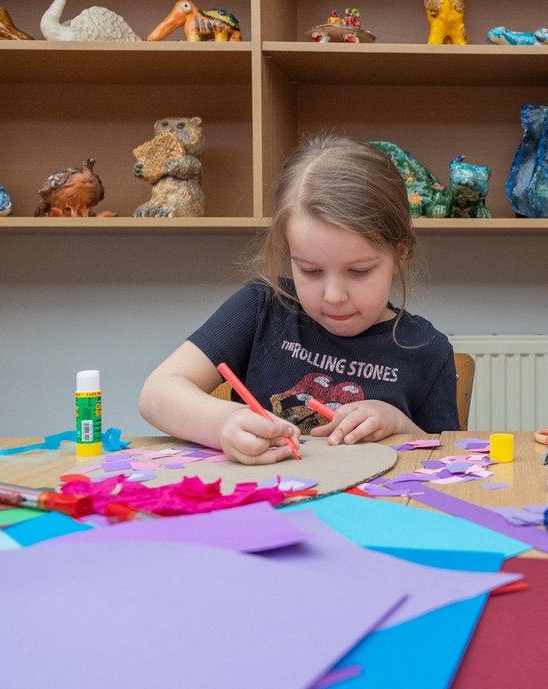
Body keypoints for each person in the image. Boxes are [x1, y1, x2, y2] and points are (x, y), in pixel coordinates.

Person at [139, 134, 458, 464]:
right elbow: (157, 393)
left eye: (359, 271)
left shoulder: (427, 351)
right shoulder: (262, 305)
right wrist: (224, 423)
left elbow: (449, 458)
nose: (334, 297)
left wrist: (399, 424)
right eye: (311, 271)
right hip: (267, 505)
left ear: (400, 251)